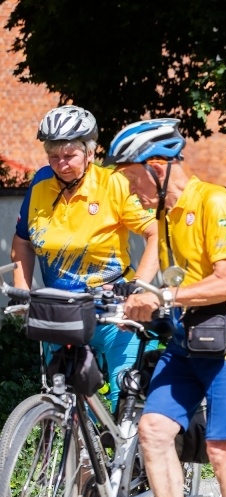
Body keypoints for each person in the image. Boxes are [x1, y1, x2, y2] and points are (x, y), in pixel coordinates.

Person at [107, 118, 226, 497]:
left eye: (131, 178)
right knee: (154, 431)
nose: (130, 190)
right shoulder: (163, 216)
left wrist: (160, 297)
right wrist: (133, 303)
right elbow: (156, 274)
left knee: (221, 450)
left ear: (157, 168)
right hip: (187, 337)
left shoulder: (213, 202)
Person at [11, 105, 160, 410]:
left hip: (114, 309)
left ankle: (138, 455)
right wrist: (22, 293)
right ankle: (79, 456)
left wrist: (138, 289)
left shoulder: (114, 184)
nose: (60, 164)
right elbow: (22, 241)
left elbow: (157, 233)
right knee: (67, 402)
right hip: (60, 313)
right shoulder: (40, 184)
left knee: (129, 395)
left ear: (90, 153)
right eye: (53, 156)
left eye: (69, 156)